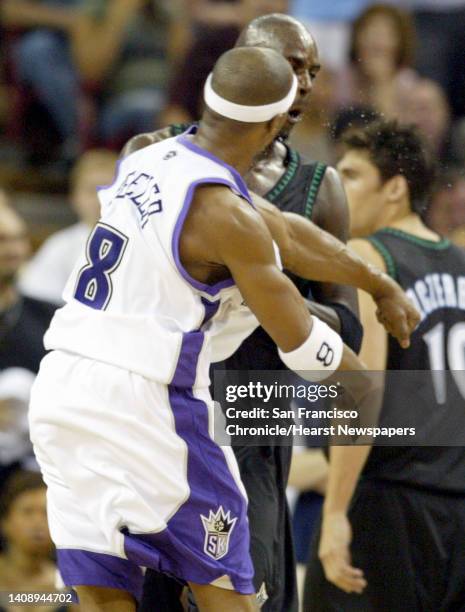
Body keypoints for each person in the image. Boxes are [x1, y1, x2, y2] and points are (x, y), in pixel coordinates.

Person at [29, 47, 417, 612]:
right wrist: (361, 383)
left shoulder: (148, 157)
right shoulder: (226, 217)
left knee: (105, 593)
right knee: (232, 596)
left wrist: (378, 285)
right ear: (273, 122)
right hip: (147, 400)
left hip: (62, 390)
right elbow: (301, 340)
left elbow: (284, 231)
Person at [122, 14, 363, 611]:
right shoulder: (154, 152)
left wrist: (266, 299)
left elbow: (349, 324)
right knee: (149, 583)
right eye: (287, 65)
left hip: (254, 411)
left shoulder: (319, 186)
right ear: (237, 66)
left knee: (249, 582)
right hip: (157, 400)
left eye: (311, 70)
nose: (302, 82)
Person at [305, 120, 465, 610]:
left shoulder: (366, 256)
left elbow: (361, 390)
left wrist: (333, 512)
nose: (334, 188)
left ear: (395, 188)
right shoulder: (460, 264)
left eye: (350, 176)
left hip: (387, 507)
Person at [19, 150, 118, 304]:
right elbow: (37, 300)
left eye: (111, 189)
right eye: (92, 190)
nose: (101, 199)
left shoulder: (145, 243)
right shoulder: (60, 246)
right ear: (74, 197)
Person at [0, 470, 73, 612]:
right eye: (28, 512)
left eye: (46, 513)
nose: (38, 523)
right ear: (5, 522)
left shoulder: (68, 586)